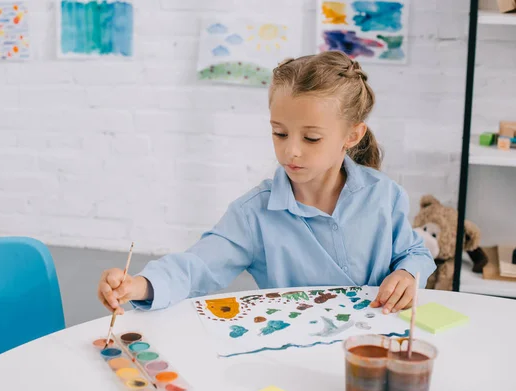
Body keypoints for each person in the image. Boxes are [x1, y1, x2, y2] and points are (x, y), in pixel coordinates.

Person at [97, 51, 436, 317]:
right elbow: (198, 266)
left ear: (352, 135)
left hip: (374, 348)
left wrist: (407, 275)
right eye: (279, 133)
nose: (291, 150)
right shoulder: (254, 213)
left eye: (312, 138)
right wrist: (139, 285)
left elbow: (415, 253)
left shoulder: (384, 196)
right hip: (294, 353)